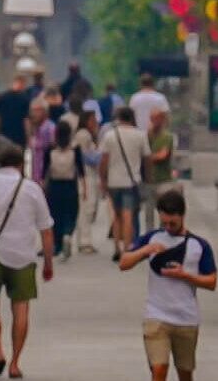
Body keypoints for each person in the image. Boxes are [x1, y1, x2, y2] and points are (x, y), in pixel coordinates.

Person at [119, 190, 217, 381]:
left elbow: (212, 281)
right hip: (156, 315)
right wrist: (146, 250)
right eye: (164, 222)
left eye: (173, 223)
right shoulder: (152, 238)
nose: (168, 227)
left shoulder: (199, 245)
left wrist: (185, 276)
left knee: (185, 373)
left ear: (183, 216)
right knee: (158, 370)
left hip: (186, 318)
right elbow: (123, 263)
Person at [0, 146, 55, 379]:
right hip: (22, 256)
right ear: (20, 164)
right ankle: (15, 362)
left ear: (0, 163)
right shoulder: (32, 188)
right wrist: (48, 262)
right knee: (21, 307)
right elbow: (46, 229)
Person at [100, 106, 152, 263]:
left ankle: (116, 247)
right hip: (131, 181)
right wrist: (147, 178)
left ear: (119, 118)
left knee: (116, 216)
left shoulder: (110, 135)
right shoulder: (140, 135)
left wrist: (103, 180)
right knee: (128, 215)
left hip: (113, 182)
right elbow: (147, 159)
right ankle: (127, 248)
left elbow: (104, 161)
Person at [44, 120, 85, 259]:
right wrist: (84, 188)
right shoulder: (75, 148)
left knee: (55, 215)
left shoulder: (50, 148)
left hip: (54, 186)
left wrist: (43, 187)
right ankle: (68, 232)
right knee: (71, 212)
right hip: (70, 185)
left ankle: (57, 245)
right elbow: (81, 169)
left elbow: (45, 170)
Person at [143, 109, 179, 233]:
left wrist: (147, 158)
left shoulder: (167, 136)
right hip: (148, 180)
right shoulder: (146, 136)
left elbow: (162, 155)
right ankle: (150, 235)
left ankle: (163, 234)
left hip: (163, 180)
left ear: (162, 120)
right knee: (148, 212)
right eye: (152, 118)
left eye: (156, 118)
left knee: (164, 210)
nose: (153, 121)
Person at [74, 110, 102, 254]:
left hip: (89, 173)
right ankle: (84, 241)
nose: (95, 122)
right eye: (93, 120)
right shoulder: (83, 135)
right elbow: (83, 155)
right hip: (86, 174)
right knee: (86, 208)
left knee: (87, 208)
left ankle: (84, 239)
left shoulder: (86, 134)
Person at [0, 76, 31, 147]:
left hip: (3, 134)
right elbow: (26, 120)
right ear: (23, 85)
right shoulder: (25, 99)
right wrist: (28, 137)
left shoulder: (2, 97)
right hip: (19, 136)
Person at [28, 99, 56, 184]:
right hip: (34, 178)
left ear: (45, 112)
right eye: (32, 111)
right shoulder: (34, 128)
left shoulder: (50, 128)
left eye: (36, 110)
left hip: (46, 177)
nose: (33, 114)